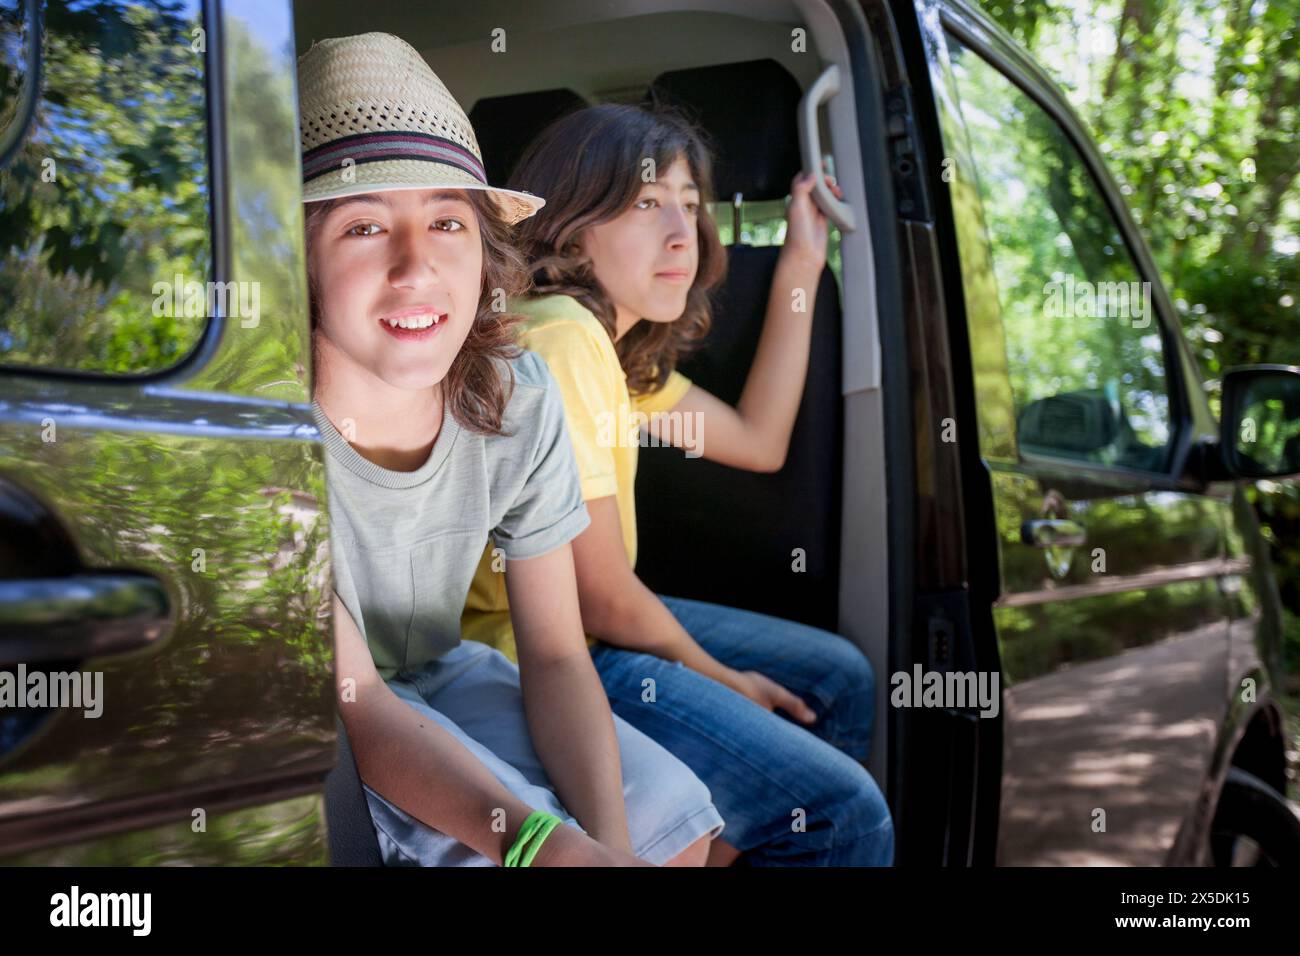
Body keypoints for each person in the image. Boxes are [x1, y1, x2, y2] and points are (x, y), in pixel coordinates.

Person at [301, 33, 723, 866]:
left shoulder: (516, 392)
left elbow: (559, 652)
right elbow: (360, 702)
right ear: (298, 264)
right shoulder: (266, 436)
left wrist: (607, 844)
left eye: (448, 221)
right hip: (333, 711)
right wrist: (542, 845)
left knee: (683, 828)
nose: (416, 265)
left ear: (484, 249)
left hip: (444, 666)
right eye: (362, 226)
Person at [462, 103, 892, 865]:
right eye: (644, 204)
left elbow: (759, 442)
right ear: (570, 223)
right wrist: (725, 679)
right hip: (532, 654)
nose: (680, 235)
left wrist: (799, 266)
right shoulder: (560, 336)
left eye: (691, 209)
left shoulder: (609, 349)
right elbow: (598, 590)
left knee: (839, 675)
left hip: (586, 626)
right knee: (846, 815)